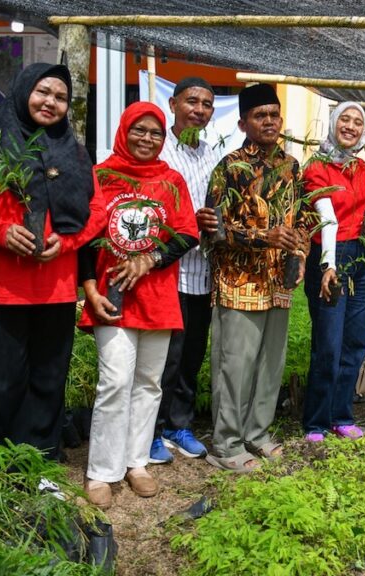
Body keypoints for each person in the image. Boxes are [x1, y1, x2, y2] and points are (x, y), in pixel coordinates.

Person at [0, 63, 106, 461]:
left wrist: (66, 242)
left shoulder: (75, 152)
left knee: (48, 380)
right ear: (23, 90)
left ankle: (40, 461)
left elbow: (96, 211)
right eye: (44, 92)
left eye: (61, 97)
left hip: (54, 291)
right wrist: (0, 232)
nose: (51, 102)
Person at [79, 102, 198, 508]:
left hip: (158, 293)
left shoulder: (171, 180)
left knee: (149, 383)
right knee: (114, 381)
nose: (147, 139)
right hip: (111, 295)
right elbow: (82, 235)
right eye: (139, 130)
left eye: (156, 133)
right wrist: (89, 286)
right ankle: (101, 471)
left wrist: (149, 259)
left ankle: (137, 462)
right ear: (123, 130)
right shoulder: (101, 176)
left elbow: (187, 233)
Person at [203, 83, 307, 472]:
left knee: (269, 365)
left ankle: (258, 434)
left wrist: (300, 250)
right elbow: (213, 231)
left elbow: (301, 220)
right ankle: (226, 444)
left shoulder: (290, 167)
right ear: (244, 121)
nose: (269, 121)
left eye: (274, 115)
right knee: (236, 365)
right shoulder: (229, 167)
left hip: (279, 281)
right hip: (238, 280)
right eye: (260, 115)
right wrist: (264, 236)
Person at [149, 77, 220, 465]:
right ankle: (153, 430)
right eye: (192, 101)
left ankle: (179, 423)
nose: (199, 109)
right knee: (166, 356)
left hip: (203, 271)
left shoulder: (212, 155)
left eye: (207, 104)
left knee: (192, 353)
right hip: (167, 271)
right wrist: (188, 221)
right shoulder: (158, 153)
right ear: (173, 103)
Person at [302, 102, 365, 441]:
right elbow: (327, 218)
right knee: (328, 343)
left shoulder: (362, 168)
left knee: (355, 341)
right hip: (330, 255)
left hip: (362, 256)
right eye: (344, 119)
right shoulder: (317, 167)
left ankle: (341, 415)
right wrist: (329, 265)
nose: (350, 126)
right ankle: (316, 420)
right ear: (332, 123)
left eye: (357, 122)